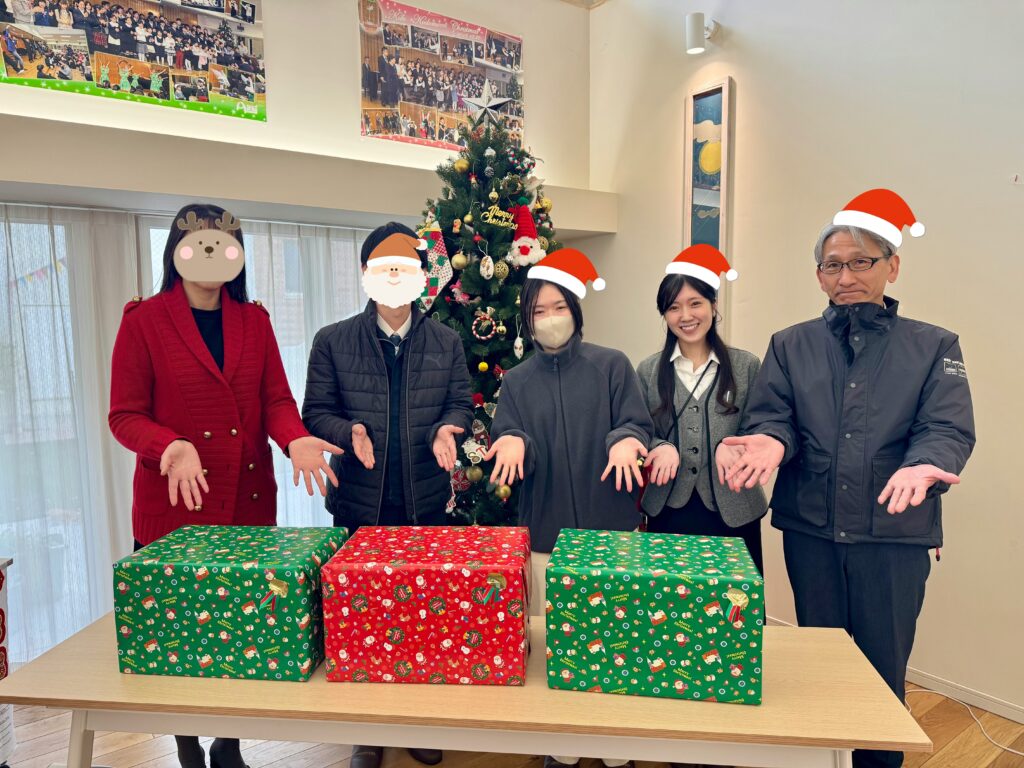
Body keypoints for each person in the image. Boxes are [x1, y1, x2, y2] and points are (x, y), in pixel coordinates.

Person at [723, 189, 975, 768]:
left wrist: (925, 463)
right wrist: (770, 440)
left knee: (882, 672)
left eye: (861, 262)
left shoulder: (934, 346)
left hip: (893, 537)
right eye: (833, 265)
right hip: (811, 533)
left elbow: (946, 427)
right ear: (819, 275)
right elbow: (772, 417)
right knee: (820, 667)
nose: (846, 276)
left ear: (892, 265)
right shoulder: (791, 345)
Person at [109, 203, 342, 768]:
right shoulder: (143, 320)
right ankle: (186, 742)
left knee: (242, 629)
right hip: (176, 509)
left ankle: (230, 742)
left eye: (223, 244)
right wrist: (170, 445)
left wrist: (294, 440)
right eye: (199, 243)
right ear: (176, 252)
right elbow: (124, 415)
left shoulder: (254, 321)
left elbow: (276, 401)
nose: (211, 254)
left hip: (246, 504)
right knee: (179, 635)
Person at [302, 222, 473, 768]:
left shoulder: (446, 341)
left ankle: (418, 720)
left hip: (425, 505)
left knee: (423, 619)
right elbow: (315, 412)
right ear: (366, 273)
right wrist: (347, 431)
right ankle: (368, 732)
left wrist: (448, 429)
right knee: (364, 623)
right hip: (361, 506)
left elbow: (461, 404)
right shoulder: (333, 340)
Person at [486, 248, 651, 768]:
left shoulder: (612, 365)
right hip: (546, 536)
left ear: (575, 311)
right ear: (527, 320)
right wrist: (514, 441)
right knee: (556, 643)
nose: (550, 318)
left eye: (559, 307)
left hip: (612, 531)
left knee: (617, 638)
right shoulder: (517, 381)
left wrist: (625, 440)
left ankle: (618, 749)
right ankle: (561, 749)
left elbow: (636, 423)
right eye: (539, 311)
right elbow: (510, 436)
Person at [636, 246, 767, 578]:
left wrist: (734, 445)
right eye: (674, 307)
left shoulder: (746, 366)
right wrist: (659, 446)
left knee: (736, 601)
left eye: (695, 303)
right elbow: (637, 429)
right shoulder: (648, 371)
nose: (686, 316)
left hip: (734, 507)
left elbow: (763, 425)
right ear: (665, 315)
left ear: (713, 305)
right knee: (668, 601)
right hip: (668, 507)